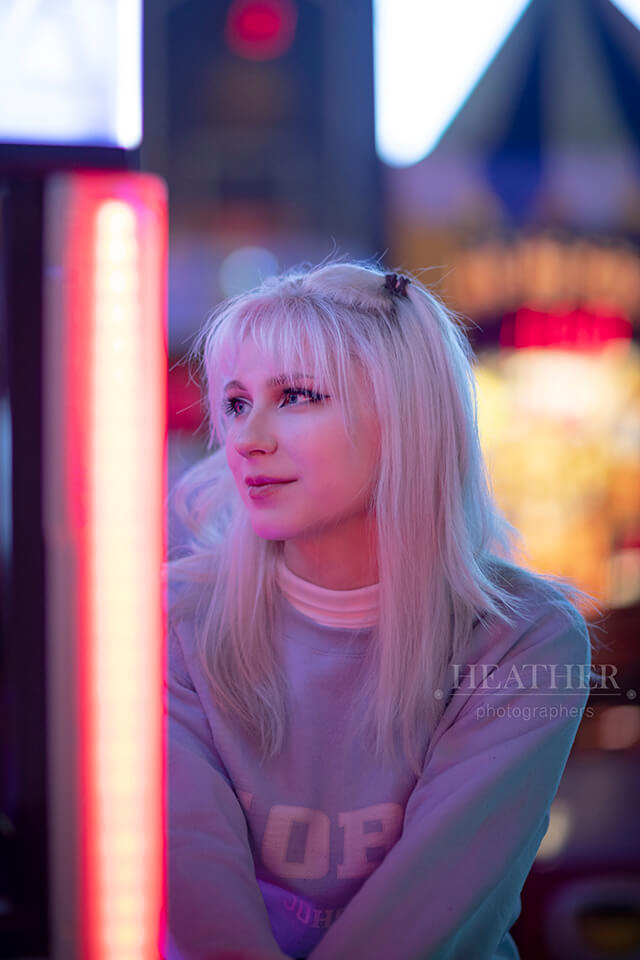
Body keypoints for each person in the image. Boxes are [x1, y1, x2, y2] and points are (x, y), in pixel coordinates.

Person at [163, 261, 594, 960]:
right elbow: (193, 886)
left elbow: (431, 916)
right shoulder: (175, 619)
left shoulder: (524, 636)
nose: (247, 439)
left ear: (407, 416)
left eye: (297, 396)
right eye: (236, 403)